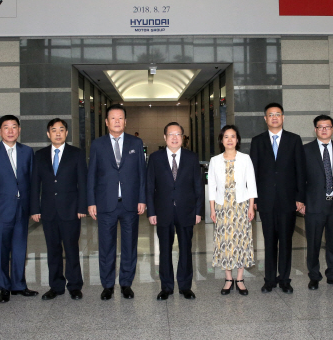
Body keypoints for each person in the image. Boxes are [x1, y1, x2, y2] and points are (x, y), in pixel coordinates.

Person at [87, 104, 146, 300]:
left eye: (120, 118)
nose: (117, 121)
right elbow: (92, 175)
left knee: (129, 245)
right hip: (105, 204)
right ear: (106, 122)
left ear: (126, 121)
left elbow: (141, 174)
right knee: (106, 246)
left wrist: (142, 199)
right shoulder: (97, 144)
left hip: (130, 203)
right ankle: (107, 285)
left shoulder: (136, 143)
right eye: (113, 118)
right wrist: (91, 201)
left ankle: (126, 283)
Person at [0, 115, 37, 303]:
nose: (11, 131)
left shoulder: (27, 152)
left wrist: (33, 207)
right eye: (6, 127)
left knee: (20, 248)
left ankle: (19, 285)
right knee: (1, 250)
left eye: (14, 127)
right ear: (0, 131)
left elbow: (32, 182)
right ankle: (4, 287)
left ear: (19, 130)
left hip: (21, 209)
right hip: (0, 210)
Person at [250, 103, 305, 293]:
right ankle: (269, 279)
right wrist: (254, 199)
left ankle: (285, 279)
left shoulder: (294, 140)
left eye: (278, 114)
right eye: (270, 115)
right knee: (269, 241)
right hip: (265, 200)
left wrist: (300, 197)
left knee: (286, 241)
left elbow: (300, 170)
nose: (274, 117)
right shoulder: (257, 141)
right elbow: (253, 173)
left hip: (288, 200)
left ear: (283, 117)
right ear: (265, 119)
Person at [30, 118, 87, 301]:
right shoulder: (39, 155)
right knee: (52, 249)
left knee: (71, 249)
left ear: (66, 133)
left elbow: (83, 183)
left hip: (71, 209)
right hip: (48, 211)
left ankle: (75, 286)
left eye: (61, 129)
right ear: (48, 134)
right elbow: (34, 184)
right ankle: (56, 286)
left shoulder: (76, 154)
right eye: (53, 130)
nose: (57, 133)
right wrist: (35, 208)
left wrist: (82, 206)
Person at [146, 122, 203, 301]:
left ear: (183, 137)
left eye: (178, 134)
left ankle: (185, 286)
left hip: (186, 211)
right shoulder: (155, 158)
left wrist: (198, 210)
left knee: (186, 249)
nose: (174, 137)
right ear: (165, 138)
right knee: (164, 250)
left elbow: (198, 186)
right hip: (163, 212)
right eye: (171, 134)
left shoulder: (192, 157)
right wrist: (151, 212)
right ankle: (166, 287)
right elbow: (149, 187)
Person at [303, 115, 333, 290]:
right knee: (313, 242)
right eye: (320, 127)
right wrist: (300, 201)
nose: (324, 129)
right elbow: (301, 178)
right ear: (315, 129)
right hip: (313, 203)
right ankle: (314, 276)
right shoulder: (306, 150)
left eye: (327, 126)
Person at [209, 125, 257, 296]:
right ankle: (228, 279)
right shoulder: (215, 160)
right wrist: (212, 209)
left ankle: (240, 279)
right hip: (223, 206)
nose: (230, 140)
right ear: (221, 140)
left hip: (241, 205)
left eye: (233, 136)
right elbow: (212, 186)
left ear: (238, 140)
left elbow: (251, 184)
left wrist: (251, 207)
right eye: (226, 136)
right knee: (225, 242)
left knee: (241, 241)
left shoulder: (245, 159)